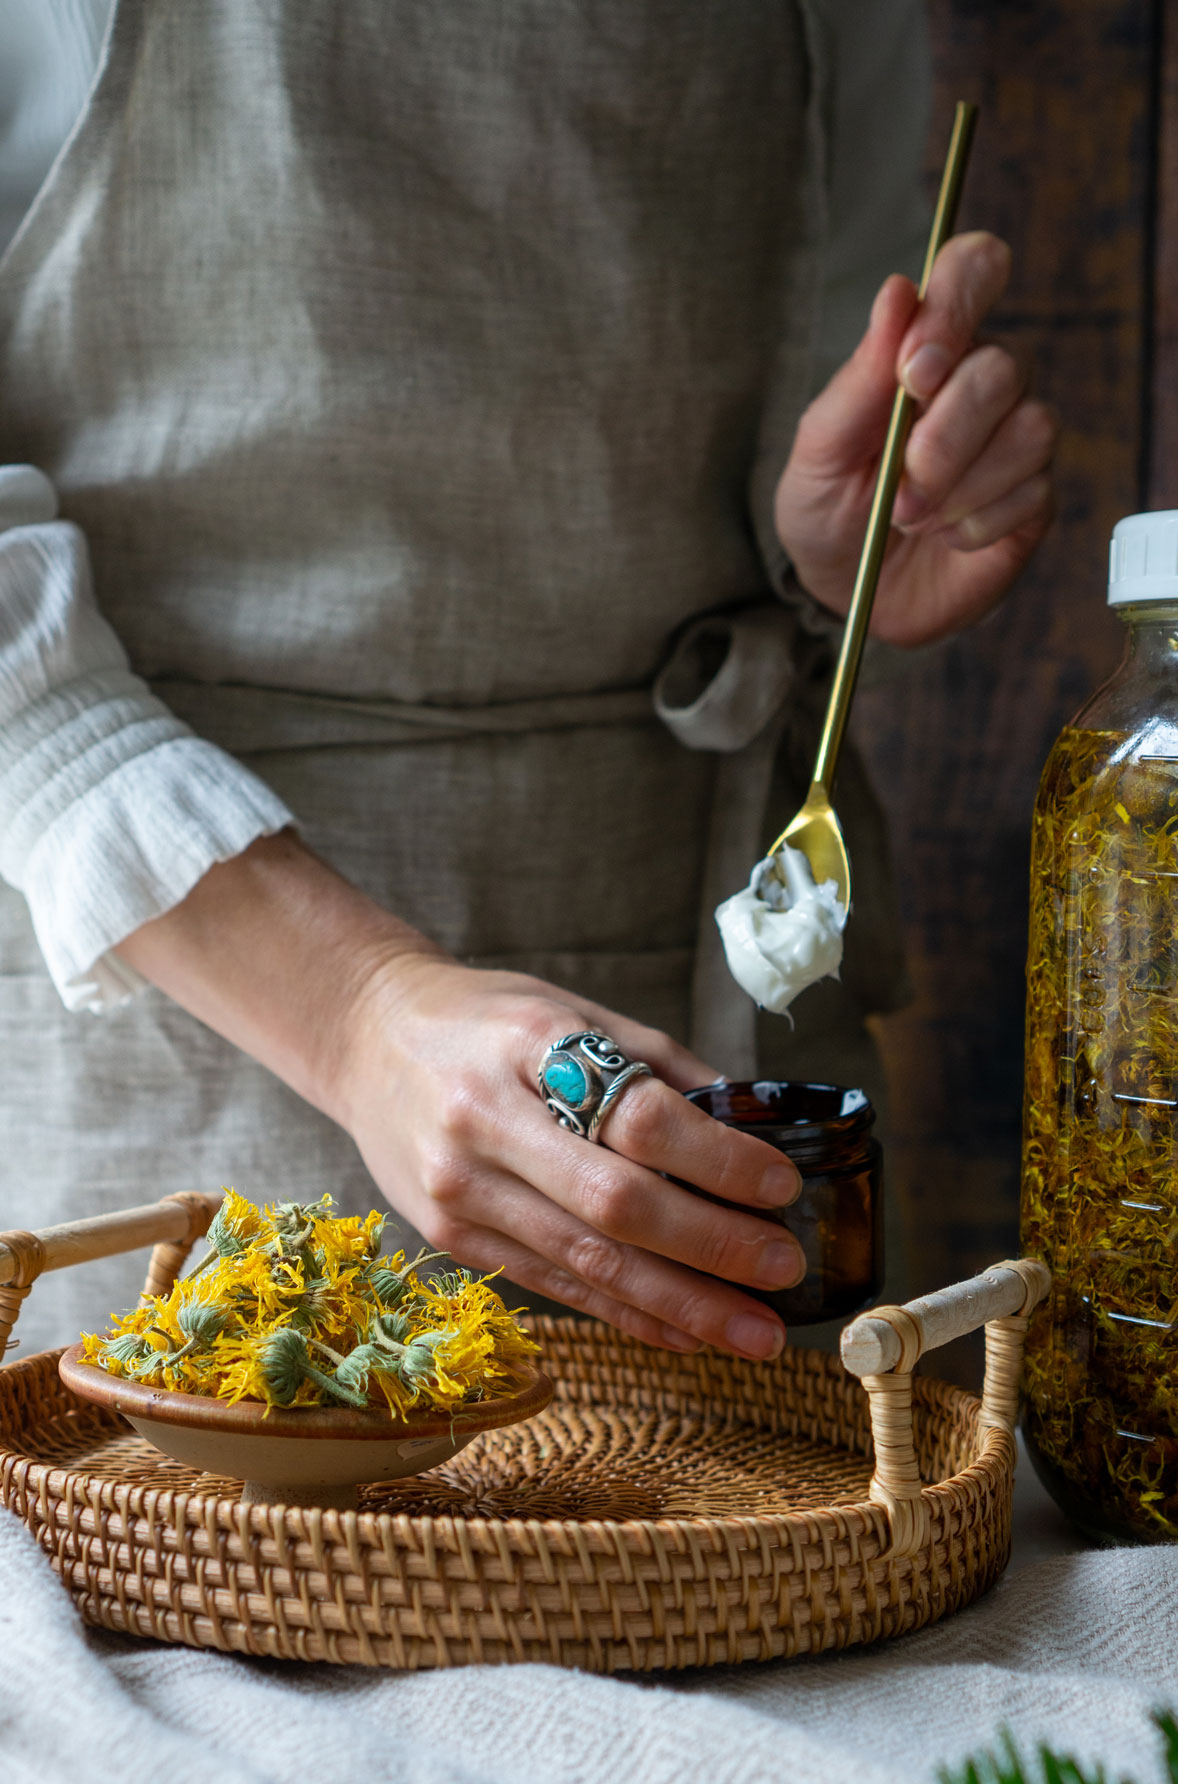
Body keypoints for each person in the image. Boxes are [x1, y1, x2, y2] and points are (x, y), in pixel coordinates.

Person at [0, 1, 1056, 1358]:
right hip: (187, 1027)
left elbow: (787, 348)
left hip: (707, 996)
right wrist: (357, 1006)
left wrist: (832, 543)